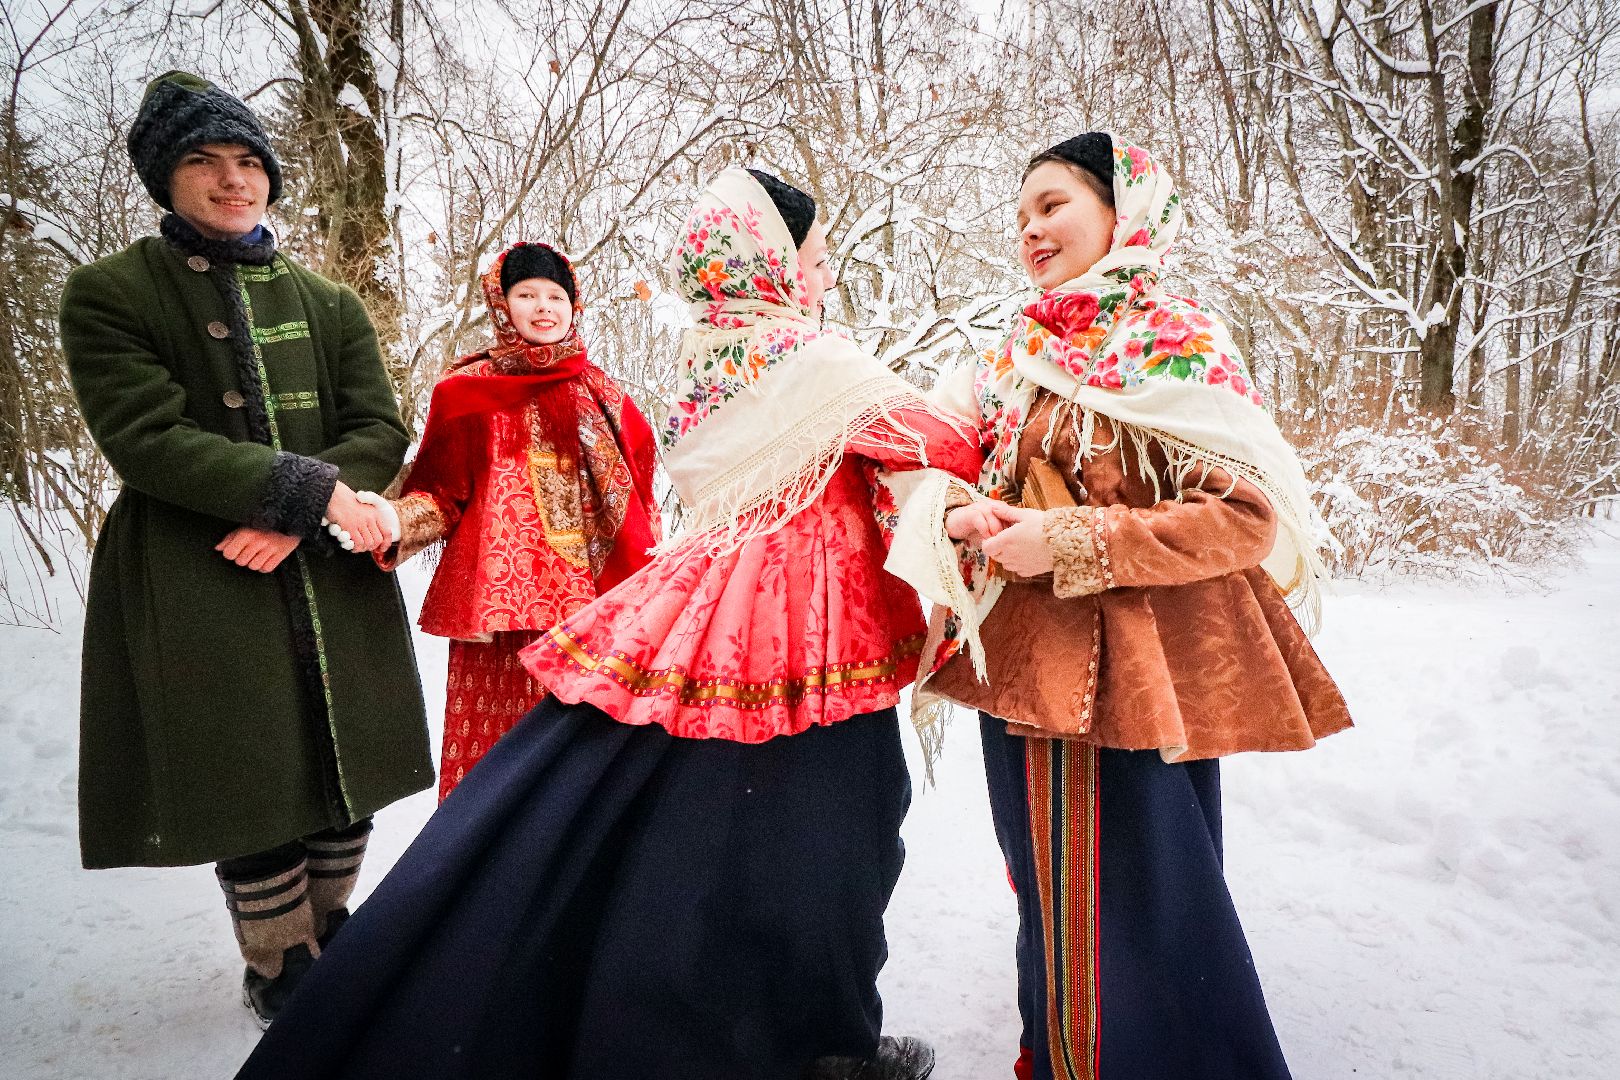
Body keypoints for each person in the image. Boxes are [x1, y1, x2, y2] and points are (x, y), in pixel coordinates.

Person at [234, 167, 979, 1080]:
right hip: (762, 634)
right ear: (768, 263)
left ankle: (711, 1021)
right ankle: (801, 1042)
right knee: (819, 837)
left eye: (557, 295)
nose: (824, 280)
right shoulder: (807, 360)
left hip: (650, 623)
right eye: (815, 260)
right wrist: (984, 396)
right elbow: (934, 442)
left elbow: (639, 507)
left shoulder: (676, 364)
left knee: (618, 824)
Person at [880, 133, 1354, 1080]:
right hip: (1020, 670)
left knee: (1139, 896)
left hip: (1134, 679)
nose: (1032, 229)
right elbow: (946, 461)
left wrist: (1072, 542)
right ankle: (1054, 1054)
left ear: (1120, 212)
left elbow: (1242, 518)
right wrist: (957, 507)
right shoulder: (1013, 354)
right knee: (1049, 890)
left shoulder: (1173, 343)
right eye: (1021, 217)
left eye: (1052, 205)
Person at [58, 70, 433, 1027]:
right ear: (163, 176)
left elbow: (377, 430)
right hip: (195, 569)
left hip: (324, 566)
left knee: (346, 764)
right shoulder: (109, 294)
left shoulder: (330, 301)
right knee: (252, 772)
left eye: (246, 161)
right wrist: (304, 491)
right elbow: (143, 436)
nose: (232, 181)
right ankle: (279, 964)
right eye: (202, 161)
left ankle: (334, 925)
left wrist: (300, 509)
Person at [373, 241, 660, 799]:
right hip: (497, 608)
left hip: (591, 608)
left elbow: (640, 498)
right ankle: (479, 871)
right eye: (526, 294)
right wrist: (392, 520)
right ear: (501, 304)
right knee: (494, 759)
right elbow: (442, 492)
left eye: (557, 295)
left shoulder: (604, 396)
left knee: (581, 760)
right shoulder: (464, 394)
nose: (544, 306)